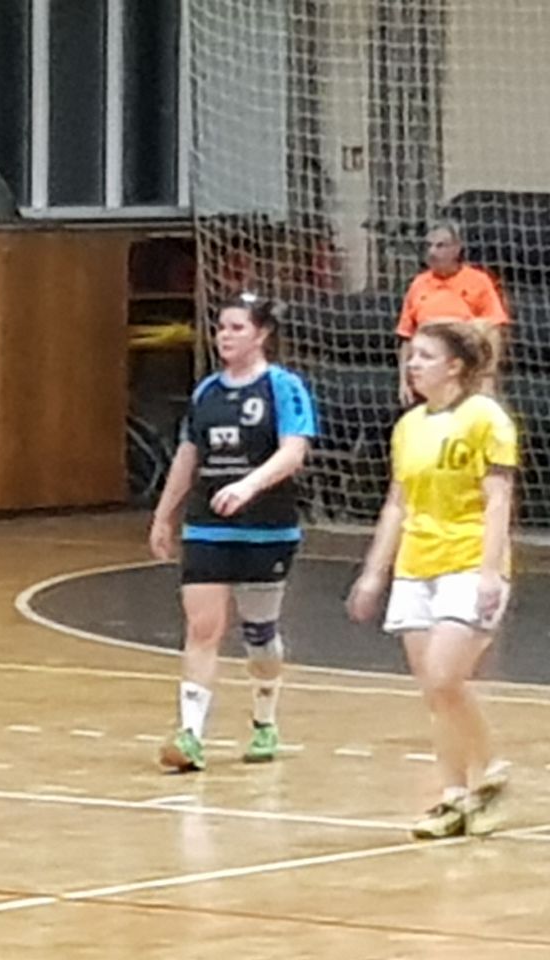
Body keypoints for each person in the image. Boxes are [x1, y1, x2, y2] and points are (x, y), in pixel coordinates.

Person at [347, 320, 516, 839]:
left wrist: (490, 572)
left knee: (446, 677)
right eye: (411, 354)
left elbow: (498, 500)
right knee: (435, 692)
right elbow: (397, 503)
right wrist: (374, 573)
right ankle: (454, 796)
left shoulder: (485, 417)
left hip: (467, 561)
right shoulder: (409, 427)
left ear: (455, 366)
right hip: (416, 567)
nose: (412, 363)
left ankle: (492, 768)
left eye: (424, 355)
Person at [149, 294, 318, 772]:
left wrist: (248, 486)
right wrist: (164, 514)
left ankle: (265, 719)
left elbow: (293, 452)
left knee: (259, 632)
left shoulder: (283, 387)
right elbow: (188, 455)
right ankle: (190, 734)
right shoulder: (206, 392)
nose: (225, 335)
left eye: (237, 327)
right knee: (202, 628)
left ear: (261, 334)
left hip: (266, 526)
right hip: (208, 525)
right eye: (221, 327)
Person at [397, 221, 509, 405]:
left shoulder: (479, 281)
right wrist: (404, 381)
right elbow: (407, 337)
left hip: (467, 376)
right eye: (429, 246)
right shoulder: (418, 284)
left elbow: (493, 330)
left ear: (457, 249)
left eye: (440, 246)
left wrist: (487, 378)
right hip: (428, 380)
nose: (432, 252)